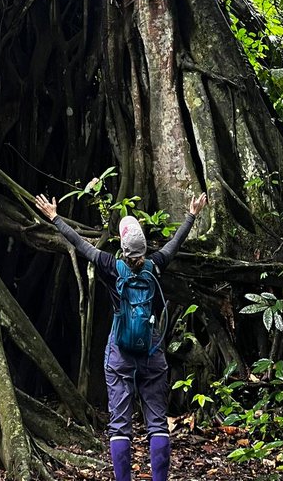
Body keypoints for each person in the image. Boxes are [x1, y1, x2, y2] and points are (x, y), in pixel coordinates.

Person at [35, 189, 207, 481]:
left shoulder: (110, 266)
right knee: (157, 424)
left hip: (120, 353)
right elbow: (175, 244)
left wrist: (55, 218)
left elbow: (80, 244)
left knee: (120, 426)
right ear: (142, 248)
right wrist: (191, 214)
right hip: (152, 351)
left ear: (123, 247)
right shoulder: (155, 265)